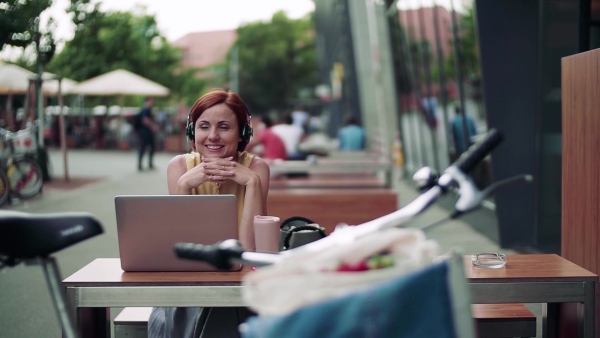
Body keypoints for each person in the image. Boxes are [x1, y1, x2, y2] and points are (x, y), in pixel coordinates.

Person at [149, 89, 270, 338]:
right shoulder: (180, 167)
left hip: (243, 288)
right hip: (190, 285)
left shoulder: (256, 169)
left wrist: (252, 184)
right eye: (204, 126)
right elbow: (182, 250)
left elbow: (250, 254)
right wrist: (183, 185)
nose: (213, 136)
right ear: (193, 132)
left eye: (224, 127)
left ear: (242, 133)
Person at [137, 97, 159, 171]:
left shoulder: (147, 109)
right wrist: (152, 126)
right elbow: (144, 120)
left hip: (147, 132)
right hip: (145, 132)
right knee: (143, 147)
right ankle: (140, 164)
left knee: (150, 147)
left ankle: (149, 164)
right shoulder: (145, 109)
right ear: (148, 101)